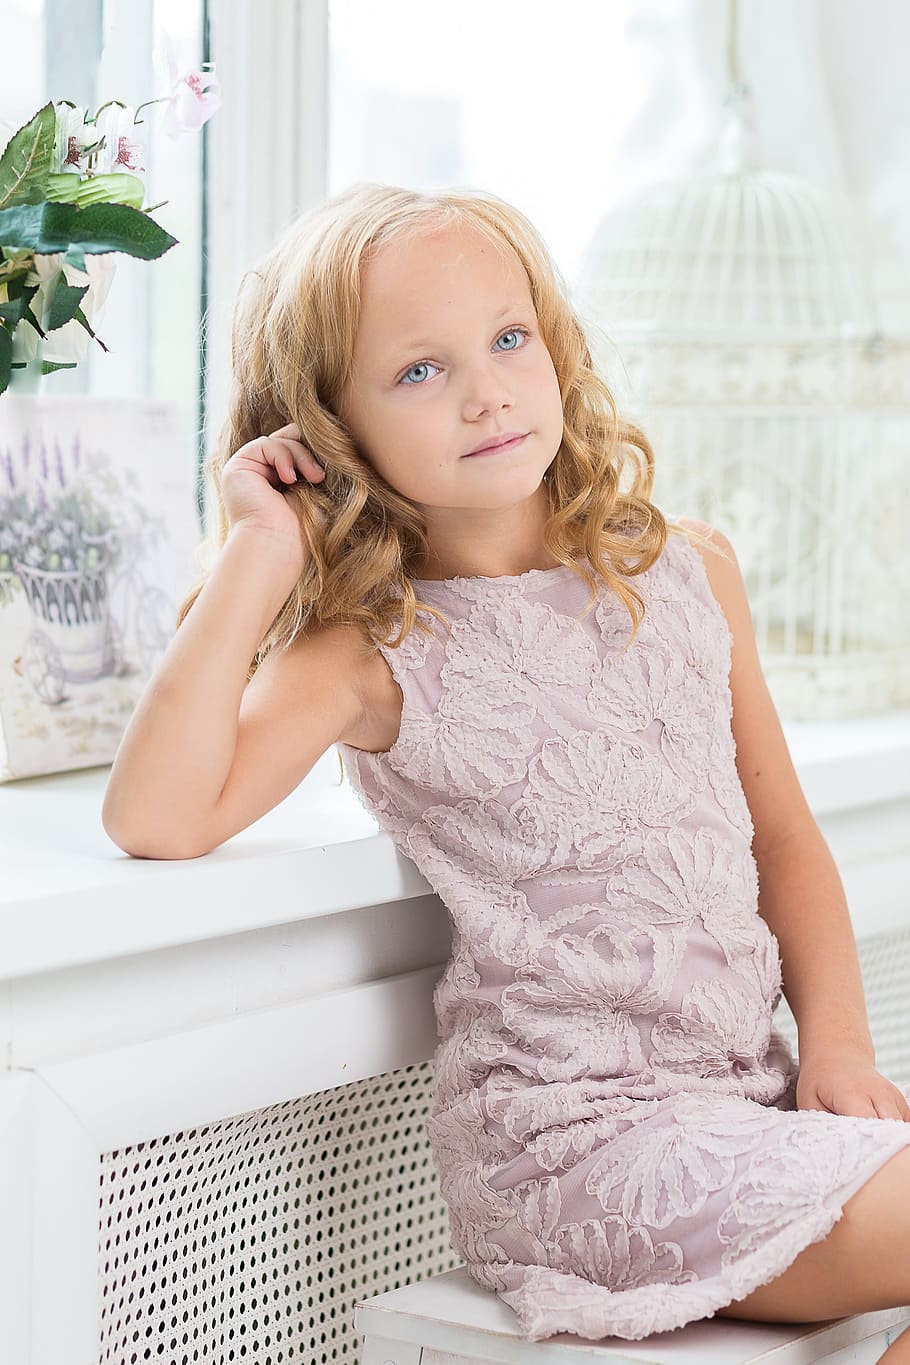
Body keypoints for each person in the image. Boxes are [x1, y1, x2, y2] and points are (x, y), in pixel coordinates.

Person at [102, 182, 910, 1353]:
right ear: (330, 431)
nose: (484, 390)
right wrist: (258, 554)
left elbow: (782, 839)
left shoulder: (686, 574)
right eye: (418, 372)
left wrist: (837, 1046)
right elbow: (158, 816)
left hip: (756, 1102)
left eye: (506, 337)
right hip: (578, 1156)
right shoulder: (371, 654)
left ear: (552, 341)